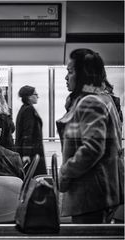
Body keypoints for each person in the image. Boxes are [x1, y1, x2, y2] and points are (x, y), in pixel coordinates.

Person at [56, 48, 124, 224]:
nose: (66, 77)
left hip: (90, 193)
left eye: (70, 72)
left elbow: (92, 148)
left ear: (83, 74)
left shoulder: (90, 101)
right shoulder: (105, 98)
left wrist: (65, 172)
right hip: (101, 191)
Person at [15, 85, 47, 175]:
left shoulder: (24, 109)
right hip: (32, 153)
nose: (38, 96)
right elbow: (27, 133)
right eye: (35, 94)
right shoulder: (29, 110)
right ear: (29, 96)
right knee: (34, 178)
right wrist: (26, 154)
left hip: (31, 151)